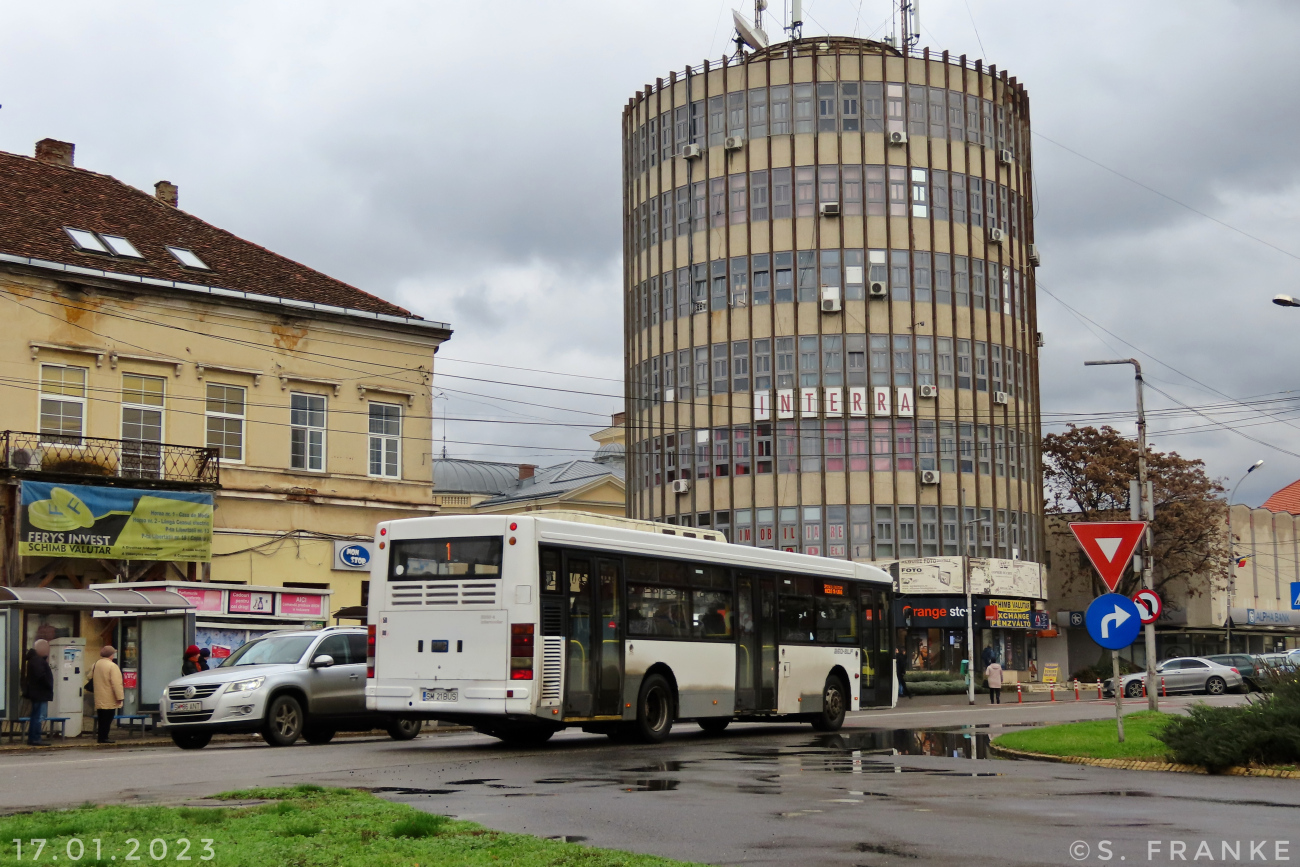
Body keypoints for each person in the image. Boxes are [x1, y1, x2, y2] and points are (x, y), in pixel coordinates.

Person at [88, 645, 124, 744]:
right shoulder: (112, 666)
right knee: (108, 719)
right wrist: (120, 697)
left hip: (99, 696)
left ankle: (101, 737)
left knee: (101, 718)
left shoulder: (95, 664)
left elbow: (89, 676)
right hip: (109, 697)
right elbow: (116, 683)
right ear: (111, 655)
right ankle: (105, 737)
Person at [22, 639, 54, 746]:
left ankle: (34, 737)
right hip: (40, 693)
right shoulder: (37, 661)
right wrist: (48, 684)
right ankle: (35, 738)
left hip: (37, 692)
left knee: (36, 716)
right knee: (38, 717)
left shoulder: (34, 660)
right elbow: (41, 676)